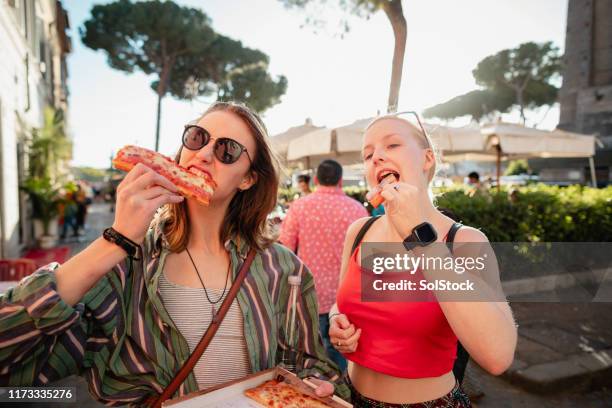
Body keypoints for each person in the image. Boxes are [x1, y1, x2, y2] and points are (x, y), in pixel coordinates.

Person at [0, 102, 348, 405]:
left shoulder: (284, 269)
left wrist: (319, 385)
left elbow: (311, 365)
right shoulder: (128, 263)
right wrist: (115, 240)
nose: (204, 154)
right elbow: (11, 359)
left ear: (248, 179)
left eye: (227, 150)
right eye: (197, 138)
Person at [329, 112, 517, 407]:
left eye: (391, 146)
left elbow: (497, 356)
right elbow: (342, 301)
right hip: (348, 395)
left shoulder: (465, 241)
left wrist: (421, 237)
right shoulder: (359, 231)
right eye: (368, 154)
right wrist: (336, 320)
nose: (376, 157)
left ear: (427, 158)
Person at [279, 159, 368, 372]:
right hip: (347, 297)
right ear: (340, 180)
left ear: (316, 179)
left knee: (314, 356)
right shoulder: (357, 210)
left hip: (310, 295)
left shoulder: (300, 207)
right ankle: (344, 396)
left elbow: (285, 249)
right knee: (345, 354)